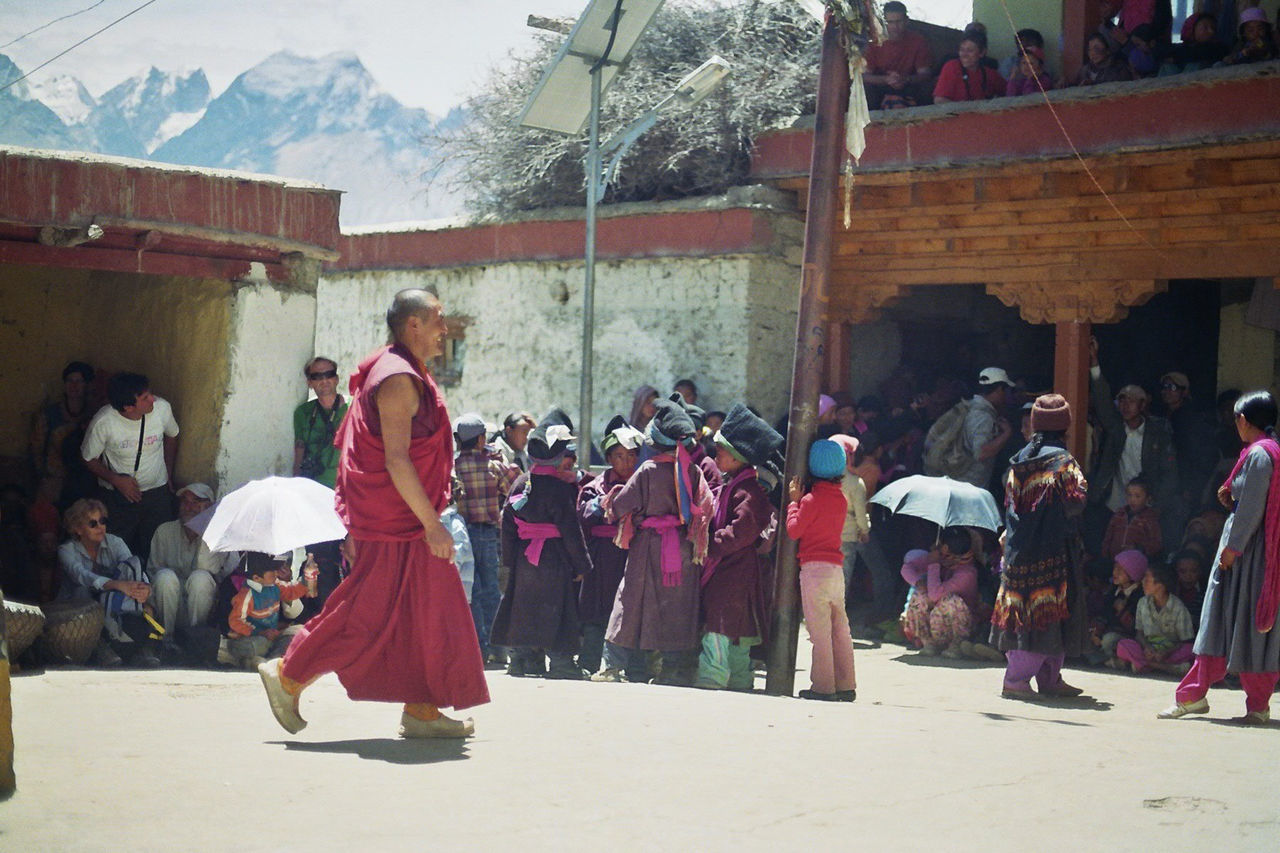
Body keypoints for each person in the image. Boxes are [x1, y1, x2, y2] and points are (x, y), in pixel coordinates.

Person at [257, 288, 488, 739]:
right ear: (414, 325)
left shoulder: (399, 368)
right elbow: (397, 458)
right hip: (400, 522)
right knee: (368, 612)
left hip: (402, 517)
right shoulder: (398, 378)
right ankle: (288, 673)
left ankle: (422, 708)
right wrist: (431, 524)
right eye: (438, 319)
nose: (445, 329)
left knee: (425, 610)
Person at [1160, 391, 1280, 725]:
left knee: (1219, 622)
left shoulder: (1258, 455)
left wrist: (1231, 550)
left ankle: (1193, 696)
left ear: (1243, 420)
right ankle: (1257, 705)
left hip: (1246, 556)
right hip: (1262, 554)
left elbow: (1250, 510)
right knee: (1251, 628)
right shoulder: (1272, 451)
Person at [603, 399, 713, 686]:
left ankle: (614, 665)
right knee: (676, 606)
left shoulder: (647, 470)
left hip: (647, 548)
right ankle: (673, 671)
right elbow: (706, 505)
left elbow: (621, 505)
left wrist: (613, 501)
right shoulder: (692, 470)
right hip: (682, 549)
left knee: (630, 602)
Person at [990, 394, 1089, 701]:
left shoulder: (1019, 461)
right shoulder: (1063, 461)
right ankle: (1016, 680)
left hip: (1019, 552)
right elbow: (1077, 500)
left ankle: (1050, 678)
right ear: (1065, 426)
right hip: (1053, 553)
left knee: (1028, 613)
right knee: (1049, 614)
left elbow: (1011, 504)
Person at [491, 408, 593, 680]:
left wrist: (509, 562)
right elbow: (571, 531)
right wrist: (581, 564)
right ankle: (560, 663)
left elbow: (508, 525)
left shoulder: (521, 483)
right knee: (557, 610)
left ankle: (523, 661)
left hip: (525, 562)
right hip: (555, 562)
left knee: (524, 608)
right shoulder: (560, 489)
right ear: (559, 456)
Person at [696, 404, 782, 691]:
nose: (715, 455)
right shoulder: (735, 486)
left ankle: (713, 676)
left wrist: (709, 545)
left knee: (720, 626)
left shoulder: (750, 493)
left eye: (720, 451)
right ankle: (740, 679)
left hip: (735, 571)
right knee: (736, 627)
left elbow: (740, 532)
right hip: (731, 569)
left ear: (736, 458)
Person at [1088, 342, 1180, 553]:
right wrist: (1094, 364)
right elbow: (1102, 401)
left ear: (1143, 404)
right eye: (1121, 401)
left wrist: (1157, 505)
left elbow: (1170, 473)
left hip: (1147, 504)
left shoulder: (1158, 433)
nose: (1125, 406)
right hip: (1115, 502)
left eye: (1131, 401)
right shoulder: (1115, 428)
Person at [80, 372, 179, 564]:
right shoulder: (104, 422)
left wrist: (168, 473)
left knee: (156, 552)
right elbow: (88, 458)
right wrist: (116, 480)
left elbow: (172, 435)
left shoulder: (162, 409)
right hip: (118, 498)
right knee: (116, 552)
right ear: (128, 407)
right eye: (144, 398)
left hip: (156, 494)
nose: (153, 399)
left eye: (150, 393)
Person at [786, 439, 856, 702]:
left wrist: (794, 502)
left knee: (819, 633)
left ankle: (823, 688)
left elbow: (794, 530)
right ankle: (846, 685)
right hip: (836, 571)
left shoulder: (810, 500)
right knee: (841, 629)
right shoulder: (841, 499)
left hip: (813, 571)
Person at [56, 497, 159, 667]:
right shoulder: (66, 550)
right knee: (82, 592)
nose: (100, 527)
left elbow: (132, 567)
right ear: (78, 529)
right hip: (77, 610)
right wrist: (117, 585)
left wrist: (144, 588)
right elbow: (81, 576)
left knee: (144, 600)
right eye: (93, 523)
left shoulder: (115, 542)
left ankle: (145, 648)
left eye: (102, 521)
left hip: (113, 602)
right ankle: (100, 649)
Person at [452, 412, 518, 664]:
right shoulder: (493, 466)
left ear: (458, 441)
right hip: (489, 534)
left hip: (461, 534)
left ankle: (477, 648)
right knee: (492, 588)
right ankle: (498, 648)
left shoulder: (454, 466)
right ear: (482, 439)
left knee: (470, 590)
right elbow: (516, 485)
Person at [579, 416, 643, 678]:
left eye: (631, 456)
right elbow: (583, 515)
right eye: (619, 455)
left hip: (631, 557)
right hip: (601, 558)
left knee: (631, 611)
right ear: (608, 457)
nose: (626, 462)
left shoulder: (643, 482)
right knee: (598, 613)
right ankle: (591, 663)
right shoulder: (595, 486)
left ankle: (637, 668)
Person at [148, 482, 238, 639]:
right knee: (165, 576)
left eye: (195, 502)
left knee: (200, 578)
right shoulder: (164, 531)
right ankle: (165, 640)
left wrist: (205, 531)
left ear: (209, 507)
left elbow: (229, 577)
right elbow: (152, 572)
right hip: (167, 604)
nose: (188, 507)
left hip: (204, 606)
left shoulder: (219, 535)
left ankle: (194, 641)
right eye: (185, 501)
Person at [223, 552, 312, 669]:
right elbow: (235, 621)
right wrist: (260, 633)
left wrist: (308, 579)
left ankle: (268, 662)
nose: (276, 573)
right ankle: (269, 661)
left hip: (272, 637)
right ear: (256, 578)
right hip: (254, 638)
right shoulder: (246, 595)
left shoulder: (275, 585)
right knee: (254, 646)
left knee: (300, 632)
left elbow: (292, 592)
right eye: (272, 571)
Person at [900, 528, 980, 657]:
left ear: (945, 548)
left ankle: (957, 645)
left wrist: (933, 565)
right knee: (919, 595)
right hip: (935, 622)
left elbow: (935, 594)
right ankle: (929, 643)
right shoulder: (942, 559)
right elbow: (906, 568)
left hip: (960, 623)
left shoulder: (967, 572)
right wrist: (918, 582)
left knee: (950, 601)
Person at [29, 361, 97, 510]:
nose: (74, 386)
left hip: (84, 482)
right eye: (69, 381)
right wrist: (43, 476)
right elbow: (36, 450)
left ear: (86, 385)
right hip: (54, 480)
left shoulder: (95, 415)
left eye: (79, 381)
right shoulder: (48, 415)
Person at [1115, 563, 1195, 674]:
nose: (1142, 583)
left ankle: (1146, 665)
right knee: (1123, 645)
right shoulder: (1142, 603)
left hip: (1169, 651)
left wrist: (1166, 652)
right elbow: (1139, 633)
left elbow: (1184, 641)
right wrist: (1147, 647)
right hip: (1148, 650)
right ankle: (1168, 668)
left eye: (1147, 580)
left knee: (1190, 650)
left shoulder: (1178, 607)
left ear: (1160, 585)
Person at [862, 1, 934, 109]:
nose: (895, 26)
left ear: (906, 21)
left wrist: (905, 79)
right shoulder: (874, 42)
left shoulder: (918, 41)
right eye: (890, 22)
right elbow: (865, 76)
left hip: (909, 87)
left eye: (898, 21)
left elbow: (925, 74)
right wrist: (886, 80)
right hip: (880, 89)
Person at [292, 357, 348, 487]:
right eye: (317, 376)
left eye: (329, 374)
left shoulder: (354, 408)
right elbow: (300, 448)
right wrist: (296, 483)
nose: (324, 380)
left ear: (336, 379)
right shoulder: (303, 412)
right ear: (309, 383)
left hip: (346, 486)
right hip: (314, 486)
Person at [959, 368, 1015, 489]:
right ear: (1000, 389)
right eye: (1006, 391)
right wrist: (1006, 434)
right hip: (970, 487)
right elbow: (981, 452)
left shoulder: (970, 407)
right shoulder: (982, 416)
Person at [1091, 549, 1147, 666]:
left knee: (1109, 640)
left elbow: (1136, 626)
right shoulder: (1114, 591)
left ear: (1133, 573)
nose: (1115, 572)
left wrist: (1122, 611)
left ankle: (1118, 660)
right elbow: (1104, 613)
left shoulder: (1139, 596)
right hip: (1109, 630)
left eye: (1120, 570)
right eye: (1115, 568)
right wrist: (1096, 631)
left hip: (1128, 636)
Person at [1100, 476, 1162, 564]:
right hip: (1114, 561)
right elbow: (1108, 537)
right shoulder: (1119, 514)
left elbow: (1156, 543)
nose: (1132, 500)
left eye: (1137, 496)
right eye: (1129, 495)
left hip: (1136, 564)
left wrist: (1138, 549)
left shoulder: (1150, 518)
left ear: (1148, 498)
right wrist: (1105, 555)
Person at [933, 31, 1005, 104]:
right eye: (962, 50)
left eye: (970, 51)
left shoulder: (990, 74)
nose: (964, 55)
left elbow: (1009, 94)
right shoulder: (952, 67)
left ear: (982, 52)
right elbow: (939, 100)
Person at [1069, 33, 1136, 86]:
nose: (1093, 53)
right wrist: (1066, 84)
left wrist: (1093, 86)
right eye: (1089, 49)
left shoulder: (1119, 69)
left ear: (1108, 50)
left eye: (1097, 48)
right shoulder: (1084, 71)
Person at [1171, 548, 1206, 624]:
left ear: (1200, 571)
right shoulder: (1170, 591)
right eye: (1183, 571)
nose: (1188, 576)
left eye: (1193, 571)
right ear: (1175, 571)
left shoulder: (1205, 593)